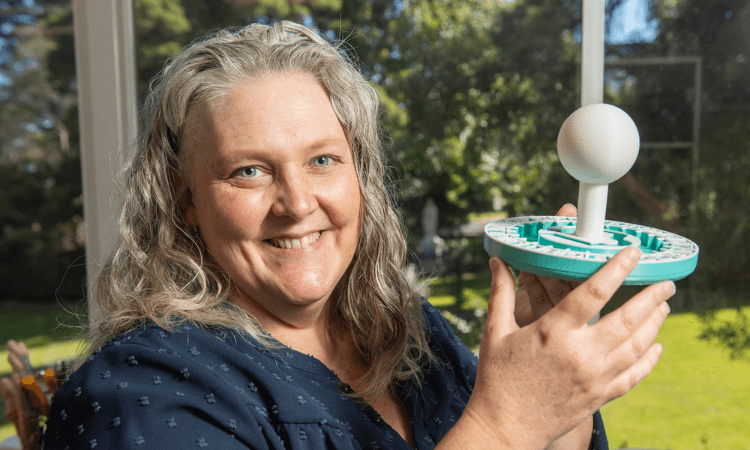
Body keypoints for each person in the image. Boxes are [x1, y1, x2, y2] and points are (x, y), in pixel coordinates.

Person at [42, 21, 674, 449]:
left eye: (323, 160)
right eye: (249, 171)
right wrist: (505, 424)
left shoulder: (413, 336)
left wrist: (556, 399)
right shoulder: (138, 395)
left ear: (360, 176)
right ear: (185, 200)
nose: (297, 203)